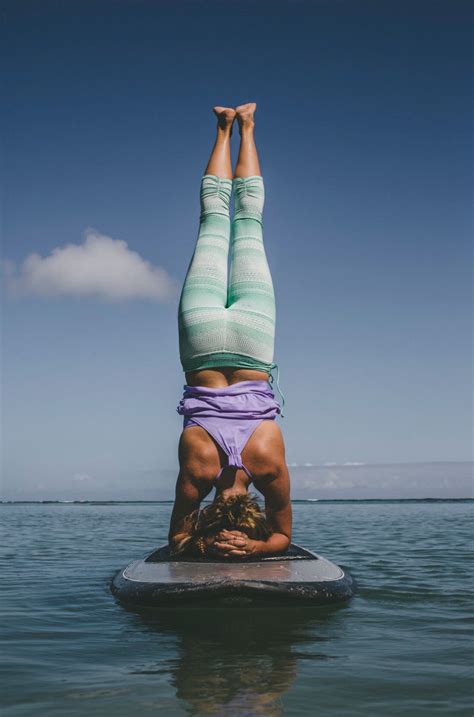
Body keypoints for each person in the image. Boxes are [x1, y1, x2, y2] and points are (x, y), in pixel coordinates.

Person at [168, 103, 292, 559]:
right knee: (214, 224)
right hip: (201, 344)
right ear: (209, 511)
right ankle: (225, 128)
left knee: (248, 224)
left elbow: (283, 538)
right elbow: (178, 540)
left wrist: (257, 550)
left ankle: (247, 125)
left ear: (253, 509)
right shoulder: (197, 473)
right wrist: (204, 544)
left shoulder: (269, 464)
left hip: (252, 344)